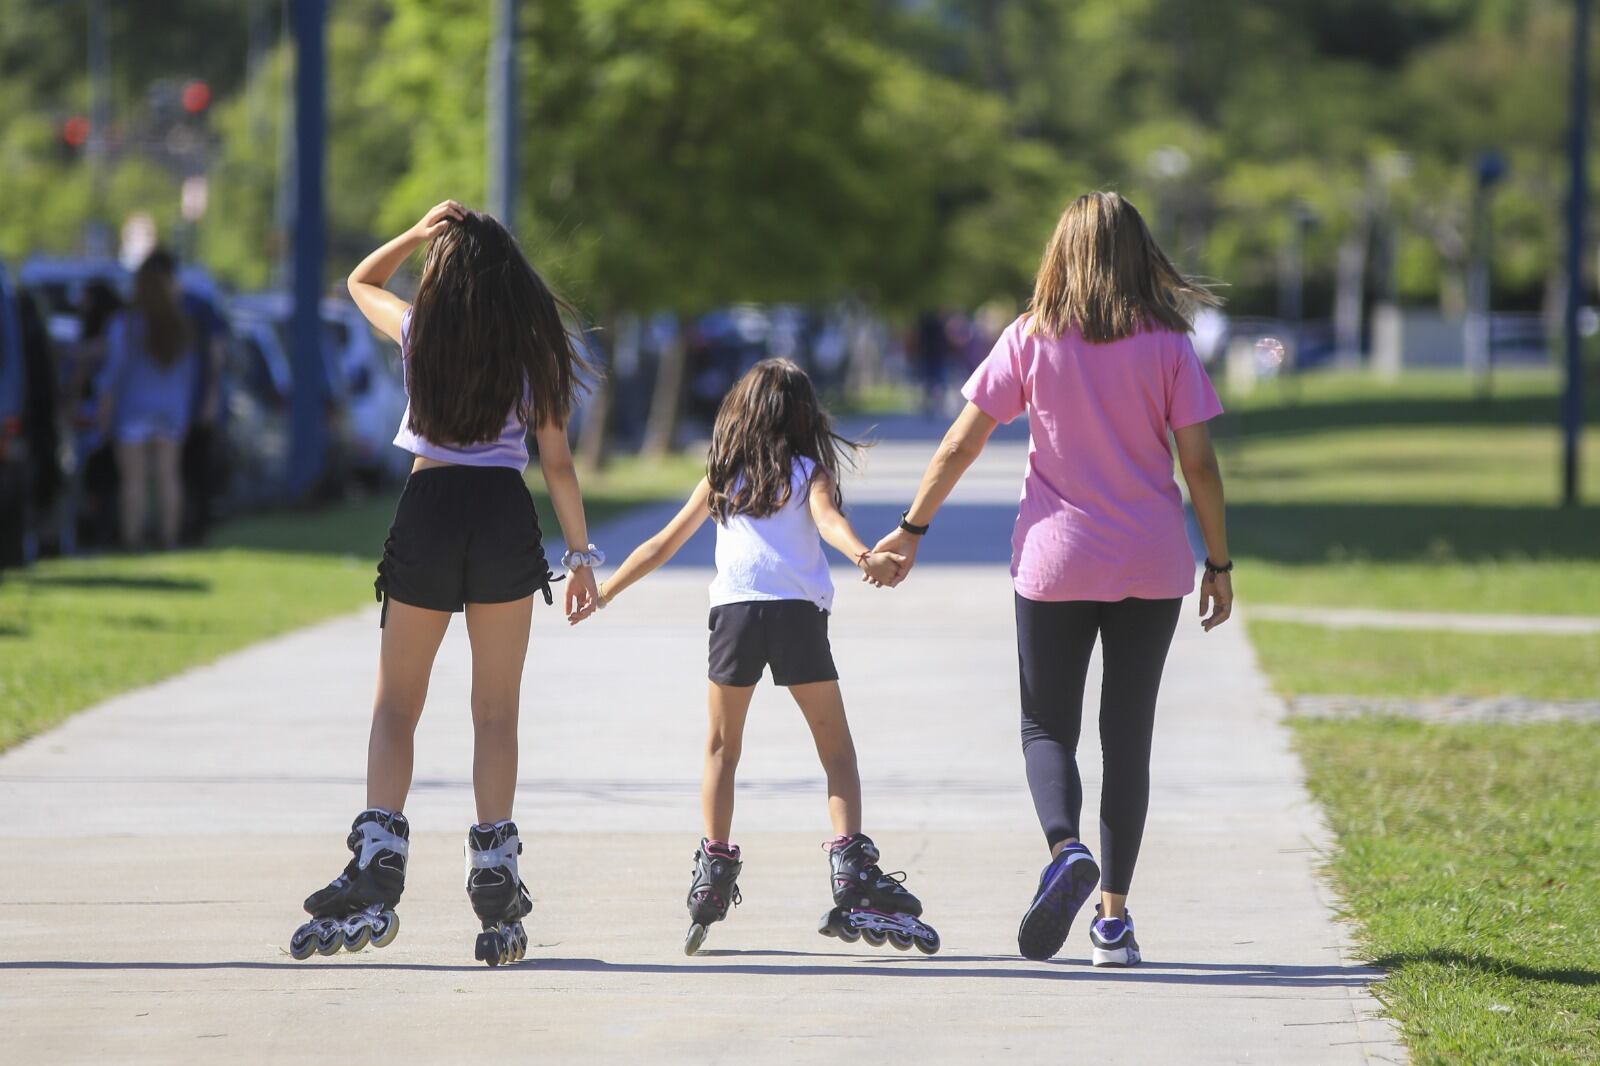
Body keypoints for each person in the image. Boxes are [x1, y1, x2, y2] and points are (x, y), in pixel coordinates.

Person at [872, 191, 1233, 967]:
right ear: (1140, 256)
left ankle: (1066, 848)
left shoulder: (1031, 338)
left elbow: (961, 446)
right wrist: (1220, 562)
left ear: (1061, 253)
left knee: (1046, 728)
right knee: (1126, 738)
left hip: (1055, 561)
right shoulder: (1168, 343)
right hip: (1151, 562)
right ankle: (1112, 923)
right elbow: (1198, 462)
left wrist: (911, 528)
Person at [289, 202, 601, 968]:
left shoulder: (418, 331)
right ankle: (494, 874)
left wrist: (416, 234)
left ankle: (379, 858)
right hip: (501, 513)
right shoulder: (533, 347)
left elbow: (359, 280)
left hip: (429, 510)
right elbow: (556, 462)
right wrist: (582, 556)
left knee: (398, 703)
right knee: (495, 711)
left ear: (441, 272)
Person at [581, 358, 940, 956]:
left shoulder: (723, 477)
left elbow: (662, 543)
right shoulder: (808, 471)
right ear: (804, 416)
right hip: (796, 616)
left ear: (740, 413)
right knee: (835, 749)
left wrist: (606, 591)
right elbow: (830, 523)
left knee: (722, 748)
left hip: (735, 618)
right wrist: (863, 559)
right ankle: (849, 866)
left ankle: (714, 868)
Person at [97, 250, 200, 550]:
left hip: (133, 408)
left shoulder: (127, 323)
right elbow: (189, 375)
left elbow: (112, 372)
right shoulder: (182, 324)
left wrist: (104, 412)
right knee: (169, 476)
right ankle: (169, 538)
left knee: (134, 481)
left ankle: (133, 539)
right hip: (171, 409)